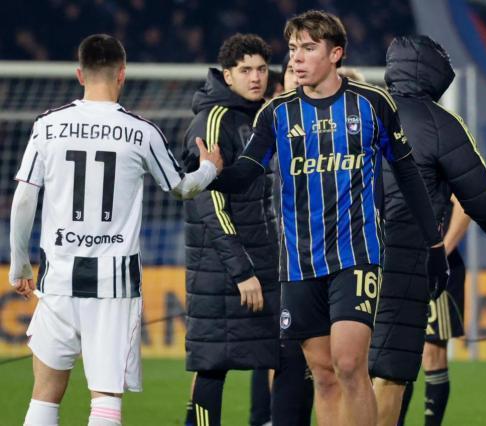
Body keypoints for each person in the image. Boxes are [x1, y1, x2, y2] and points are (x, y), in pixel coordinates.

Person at [194, 10, 450, 426]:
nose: (296, 58)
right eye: (293, 48)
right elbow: (246, 173)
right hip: (299, 262)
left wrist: (434, 245)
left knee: (349, 363)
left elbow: (407, 174)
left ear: (336, 53)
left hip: (356, 255)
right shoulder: (276, 113)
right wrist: (212, 174)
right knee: (324, 373)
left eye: (308, 48)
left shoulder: (372, 104)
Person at [9, 33, 222, 426]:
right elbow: (181, 188)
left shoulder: (48, 125)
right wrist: (209, 167)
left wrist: (19, 264)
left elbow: (24, 199)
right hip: (115, 285)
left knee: (45, 393)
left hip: (59, 278)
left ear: (79, 74)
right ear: (122, 74)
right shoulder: (142, 131)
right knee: (105, 399)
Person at [368, 35, 486, 426]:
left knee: (342, 370)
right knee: (390, 370)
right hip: (403, 258)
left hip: (337, 257)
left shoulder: (357, 110)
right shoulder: (439, 123)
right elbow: (480, 195)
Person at [180, 34, 280, 426]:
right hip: (223, 267)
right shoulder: (213, 120)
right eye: (245, 70)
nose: (255, 78)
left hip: (259, 260)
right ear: (227, 75)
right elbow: (209, 201)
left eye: (261, 69)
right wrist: (242, 271)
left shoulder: (260, 117)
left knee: (284, 353)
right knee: (213, 364)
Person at [396, 195, 471, 426]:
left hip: (438, 271)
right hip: (400, 265)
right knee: (396, 353)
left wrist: (441, 253)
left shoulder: (443, 171)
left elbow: (464, 205)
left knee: (432, 353)